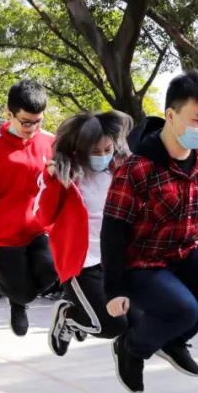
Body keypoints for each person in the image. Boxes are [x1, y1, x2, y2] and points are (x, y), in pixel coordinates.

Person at [104, 70, 198, 393]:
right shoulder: (137, 167)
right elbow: (113, 229)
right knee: (184, 309)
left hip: (183, 251)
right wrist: (114, 290)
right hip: (141, 261)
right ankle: (131, 348)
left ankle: (173, 341)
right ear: (171, 115)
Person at [33, 110, 134, 356]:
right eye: (95, 152)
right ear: (80, 149)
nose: (102, 156)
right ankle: (68, 317)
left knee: (130, 320)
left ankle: (81, 315)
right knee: (109, 326)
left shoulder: (120, 171)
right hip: (82, 264)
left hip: (114, 261)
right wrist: (54, 182)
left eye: (107, 150)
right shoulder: (64, 175)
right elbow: (42, 217)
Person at [0, 80, 57, 336]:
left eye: (38, 121)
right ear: (9, 114)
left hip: (37, 228)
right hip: (4, 235)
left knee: (52, 273)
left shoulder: (50, 142)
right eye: (26, 122)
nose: (33, 128)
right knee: (23, 292)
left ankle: (18, 296)